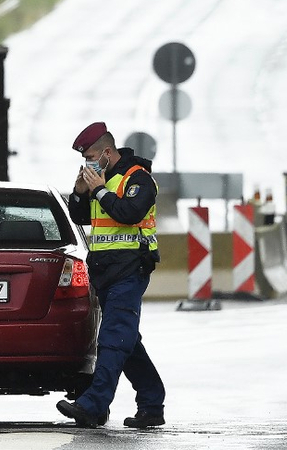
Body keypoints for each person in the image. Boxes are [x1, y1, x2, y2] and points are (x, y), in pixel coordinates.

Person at [56, 121, 166, 429]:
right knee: (126, 340)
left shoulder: (138, 178)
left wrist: (100, 190)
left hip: (131, 269)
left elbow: (128, 213)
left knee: (113, 338)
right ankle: (152, 401)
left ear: (107, 151)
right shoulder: (100, 180)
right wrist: (80, 193)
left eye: (90, 155)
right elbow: (82, 217)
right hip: (105, 272)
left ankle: (94, 404)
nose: (87, 163)